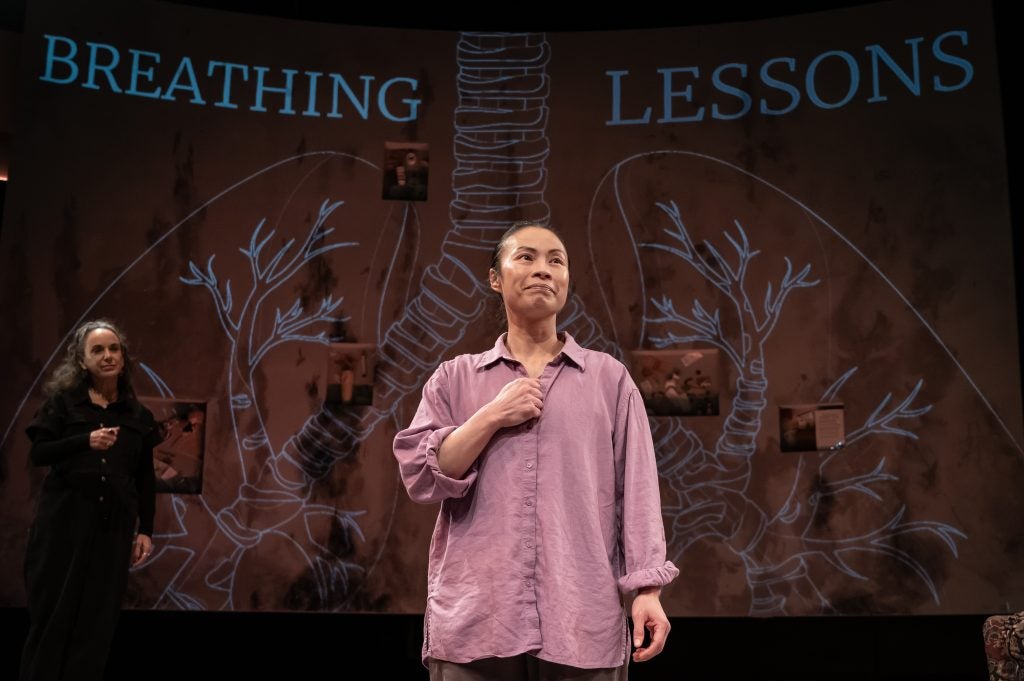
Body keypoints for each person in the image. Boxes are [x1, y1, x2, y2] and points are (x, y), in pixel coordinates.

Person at [393, 222, 678, 680]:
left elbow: (638, 491)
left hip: (581, 620)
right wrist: (491, 415)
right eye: (525, 257)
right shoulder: (455, 378)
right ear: (495, 277)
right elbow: (422, 479)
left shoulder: (609, 380)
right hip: (476, 621)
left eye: (556, 260)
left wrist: (647, 590)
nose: (543, 270)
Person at [19, 319, 161, 681]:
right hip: (64, 529)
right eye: (97, 350)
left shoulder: (136, 415)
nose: (107, 356)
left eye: (114, 349)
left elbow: (144, 477)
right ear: (82, 361)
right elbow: (40, 453)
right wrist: (85, 441)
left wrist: (146, 529)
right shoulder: (64, 405)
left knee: (96, 626)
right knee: (53, 620)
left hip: (112, 530)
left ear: (123, 357)